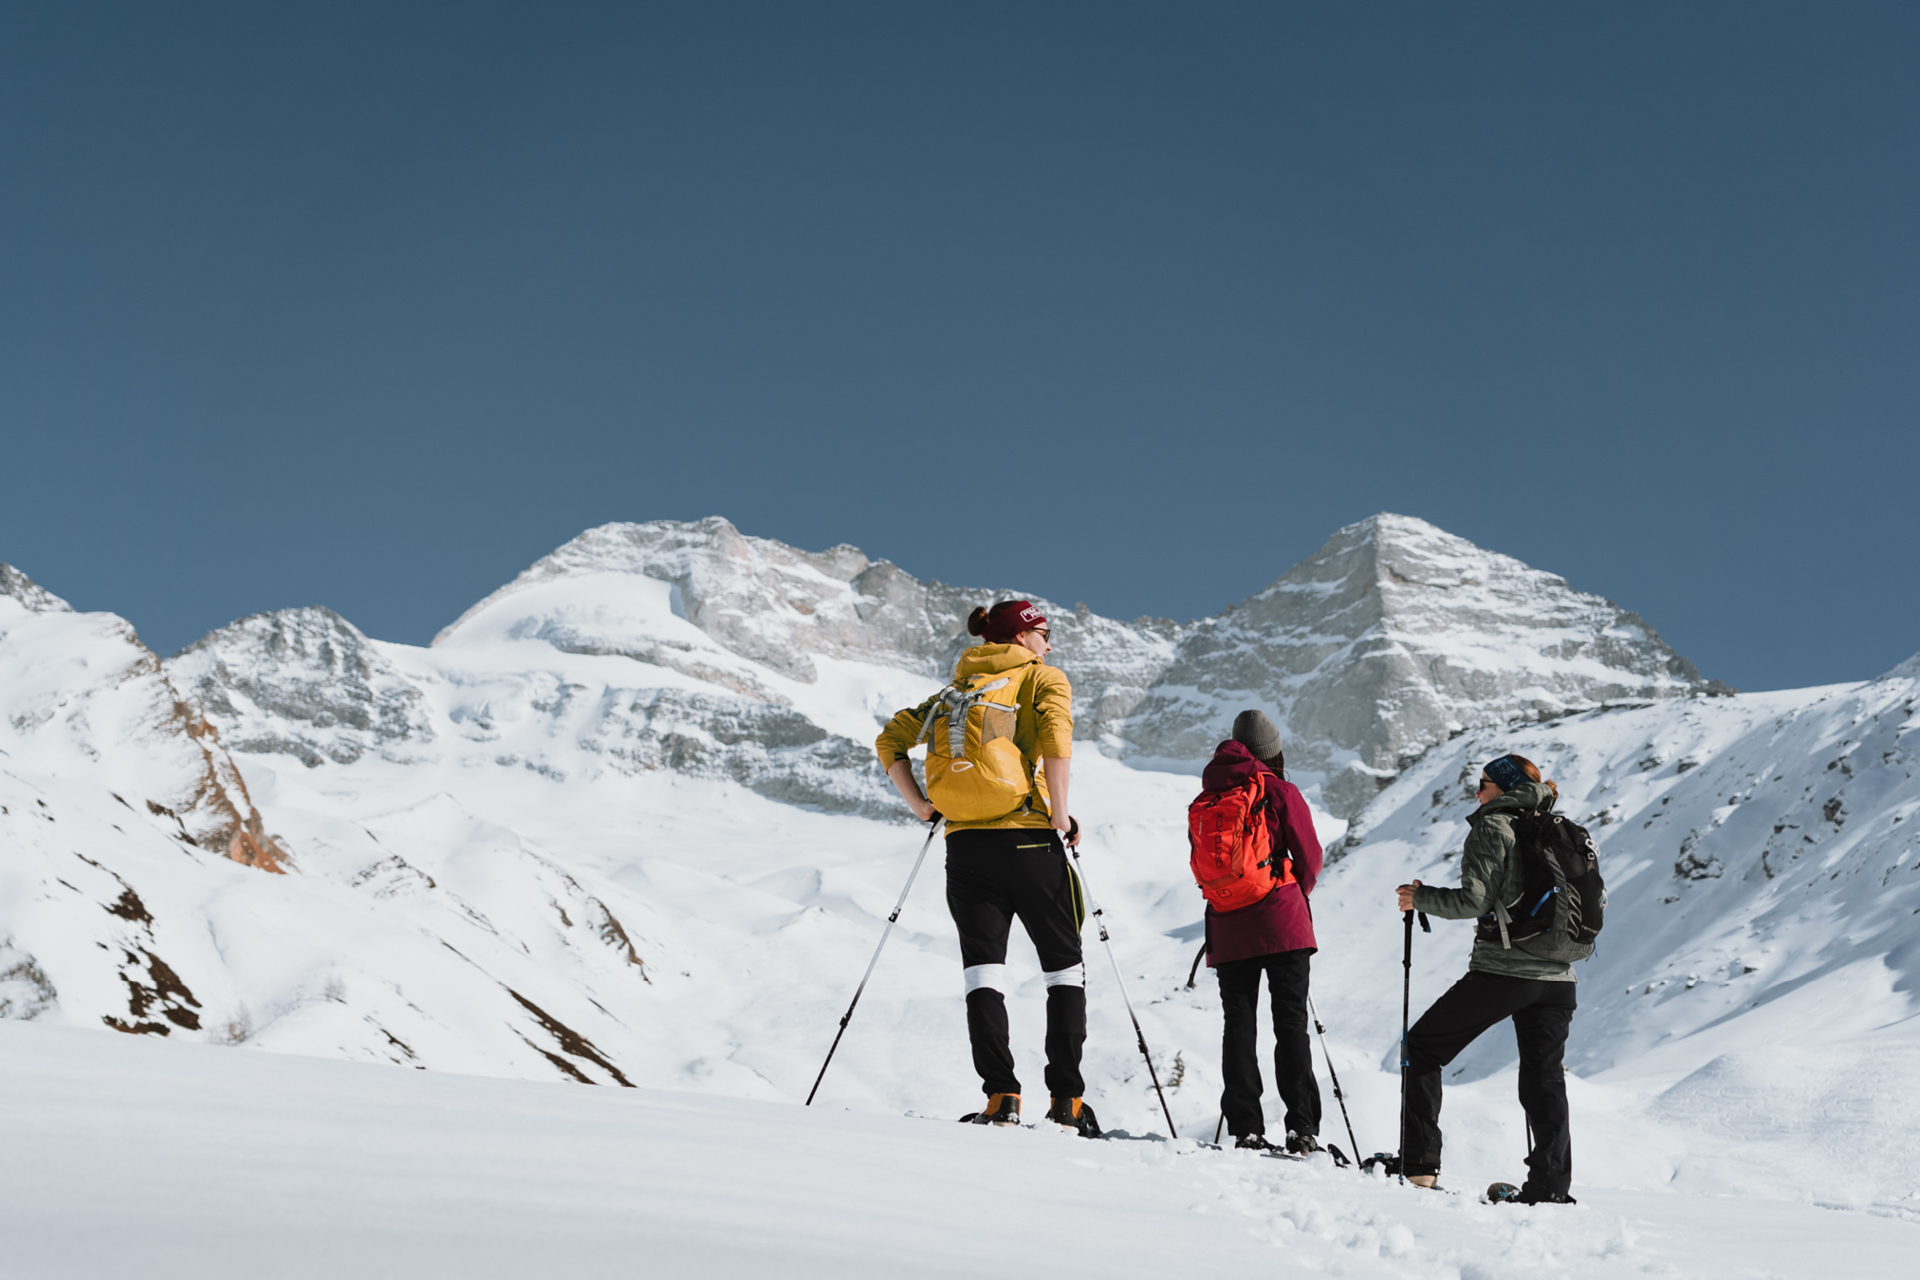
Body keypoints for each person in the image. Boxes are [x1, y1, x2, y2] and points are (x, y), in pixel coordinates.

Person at [874, 599, 1098, 1136]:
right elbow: (1057, 739)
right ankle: (1066, 1103)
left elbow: (889, 740)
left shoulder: (954, 690)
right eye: (1044, 632)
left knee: (983, 972)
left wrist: (922, 807)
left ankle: (1001, 1098)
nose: (1049, 644)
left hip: (966, 846)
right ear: (1021, 637)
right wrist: (1060, 814)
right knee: (1064, 968)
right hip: (1028, 839)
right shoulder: (1041, 677)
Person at [1395, 752, 1577, 1204]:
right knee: (1545, 1078)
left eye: (1483, 785)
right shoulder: (1558, 828)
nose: (1476, 793)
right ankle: (1550, 1188)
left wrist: (1420, 897)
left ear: (1505, 788)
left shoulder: (1494, 826)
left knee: (1422, 1048)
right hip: (1560, 976)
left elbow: (1473, 901)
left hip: (1506, 970)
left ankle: (1419, 1168)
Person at [1200, 710, 1326, 1154]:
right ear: (1273, 752)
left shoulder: (1212, 794)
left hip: (1228, 926)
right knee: (1290, 1024)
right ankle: (1301, 1128)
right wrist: (1291, 893)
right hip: (1281, 921)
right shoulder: (1279, 790)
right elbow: (1310, 857)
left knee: (1238, 1025)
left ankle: (1246, 1128)